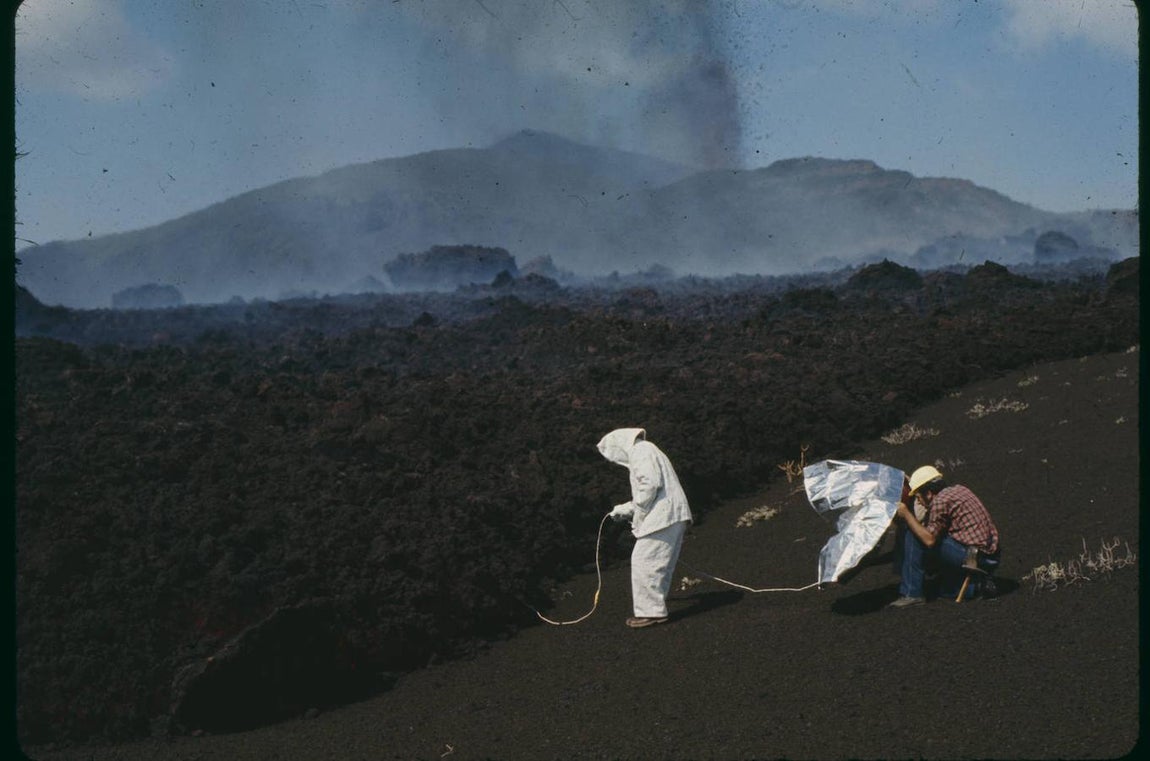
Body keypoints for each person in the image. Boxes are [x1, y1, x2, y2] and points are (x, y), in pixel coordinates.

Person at [597, 428, 694, 628]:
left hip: (664, 515)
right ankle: (655, 606)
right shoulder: (648, 450)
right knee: (658, 562)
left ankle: (651, 612)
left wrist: (637, 509)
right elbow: (649, 487)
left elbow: (649, 485)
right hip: (671, 514)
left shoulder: (640, 451)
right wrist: (628, 509)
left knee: (644, 561)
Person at [889, 465, 1001, 608]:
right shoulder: (959, 489)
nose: (919, 502)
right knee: (943, 590)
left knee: (914, 533)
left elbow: (929, 540)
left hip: (975, 557)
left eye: (918, 497)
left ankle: (912, 593)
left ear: (929, 493)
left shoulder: (940, 502)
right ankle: (977, 586)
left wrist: (906, 514)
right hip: (990, 556)